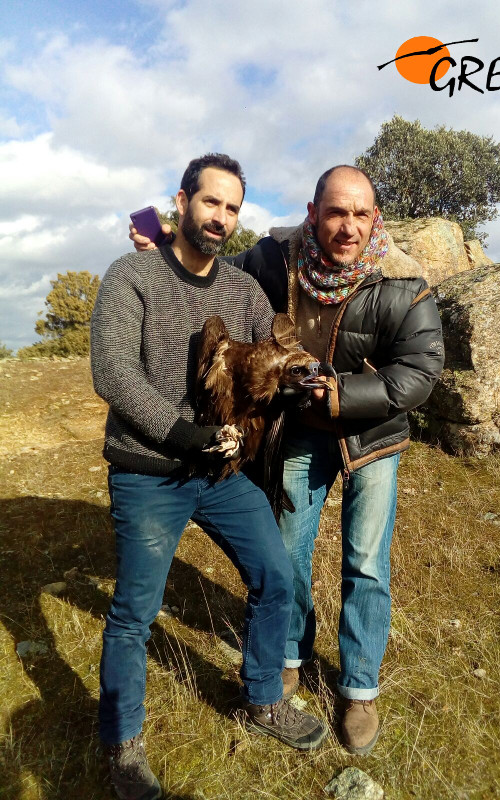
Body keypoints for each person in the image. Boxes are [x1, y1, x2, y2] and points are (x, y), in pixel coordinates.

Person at [132, 164, 444, 757]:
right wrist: (163, 248)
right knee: (288, 553)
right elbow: (212, 276)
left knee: (366, 563)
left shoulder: (404, 282)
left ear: (375, 217)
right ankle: (290, 656)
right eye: (335, 213)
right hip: (300, 433)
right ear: (312, 212)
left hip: (373, 438)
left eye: (359, 214)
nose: (347, 227)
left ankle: (358, 688)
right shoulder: (275, 261)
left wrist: (343, 394)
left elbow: (421, 373)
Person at [92, 154, 327, 800]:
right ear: (182, 201)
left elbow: (267, 367)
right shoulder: (131, 277)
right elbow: (113, 375)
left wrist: (298, 381)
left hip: (221, 472)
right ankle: (124, 746)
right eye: (210, 202)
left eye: (231, 208)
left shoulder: (242, 292)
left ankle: (262, 700)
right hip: (150, 471)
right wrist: (183, 434)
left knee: (276, 577)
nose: (220, 217)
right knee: (135, 613)